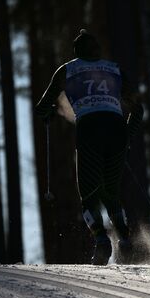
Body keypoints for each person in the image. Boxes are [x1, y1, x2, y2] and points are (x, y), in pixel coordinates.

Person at [36, 29, 143, 265]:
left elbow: (41, 107)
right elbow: (138, 108)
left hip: (89, 131)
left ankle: (102, 240)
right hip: (116, 130)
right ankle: (125, 241)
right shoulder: (114, 68)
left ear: (76, 52)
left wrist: (51, 113)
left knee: (89, 194)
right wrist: (128, 137)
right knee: (110, 192)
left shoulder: (67, 69)